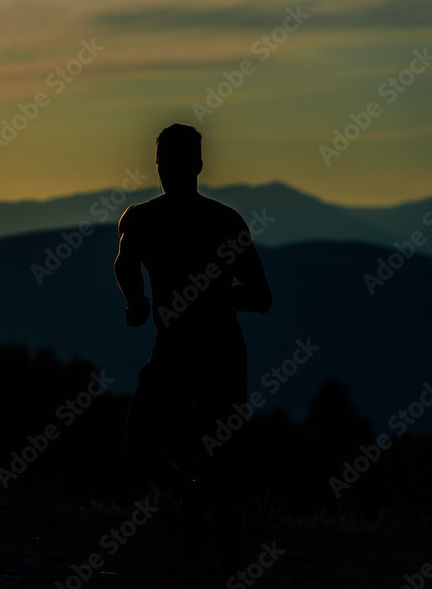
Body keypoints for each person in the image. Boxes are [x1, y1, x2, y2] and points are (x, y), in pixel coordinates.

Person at [114, 123, 271, 585]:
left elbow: (125, 264)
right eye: (164, 160)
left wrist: (139, 302)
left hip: (185, 348)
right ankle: (223, 556)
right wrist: (141, 299)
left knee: (143, 441)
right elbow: (260, 296)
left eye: (168, 160)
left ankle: (189, 493)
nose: (165, 168)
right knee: (215, 470)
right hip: (222, 349)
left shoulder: (142, 219)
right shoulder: (226, 221)